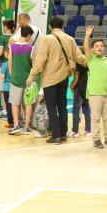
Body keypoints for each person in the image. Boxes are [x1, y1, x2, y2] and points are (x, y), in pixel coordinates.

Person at [28, 16, 86, 144]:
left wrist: (32, 75)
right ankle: (63, 133)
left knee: (51, 107)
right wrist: (91, 63)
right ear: (62, 26)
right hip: (64, 76)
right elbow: (79, 57)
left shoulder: (46, 39)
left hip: (50, 77)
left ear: (50, 26)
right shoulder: (70, 39)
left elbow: (40, 60)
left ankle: (56, 135)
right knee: (62, 106)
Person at [82, 26, 107, 149]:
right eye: (97, 46)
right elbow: (85, 47)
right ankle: (96, 139)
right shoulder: (90, 59)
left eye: (102, 46)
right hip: (95, 94)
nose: (100, 47)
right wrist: (88, 35)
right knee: (96, 118)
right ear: (92, 49)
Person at [8, 26, 35, 135]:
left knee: (15, 103)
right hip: (28, 79)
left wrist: (12, 74)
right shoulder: (31, 48)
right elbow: (34, 65)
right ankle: (27, 127)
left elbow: (10, 63)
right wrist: (31, 77)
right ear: (28, 35)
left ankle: (16, 125)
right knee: (28, 103)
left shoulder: (12, 47)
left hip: (15, 78)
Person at [70, 57, 91, 138]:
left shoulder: (78, 65)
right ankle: (88, 130)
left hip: (79, 90)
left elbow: (76, 79)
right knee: (86, 110)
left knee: (76, 111)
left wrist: (71, 86)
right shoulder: (89, 64)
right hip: (87, 90)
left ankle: (75, 131)